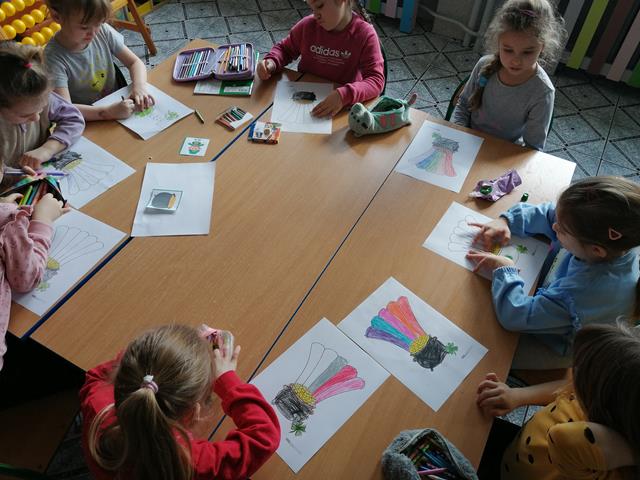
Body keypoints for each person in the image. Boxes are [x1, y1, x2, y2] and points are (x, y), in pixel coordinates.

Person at [466, 176, 640, 370]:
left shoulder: (582, 292)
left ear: (596, 250)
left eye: (562, 230)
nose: (555, 226)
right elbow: (550, 215)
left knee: (483, 346)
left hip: (559, 343)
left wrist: (504, 269)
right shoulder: (616, 240)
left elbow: (515, 316)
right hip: (558, 295)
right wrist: (506, 220)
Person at [82, 324, 281, 479]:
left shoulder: (98, 410)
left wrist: (155, 353)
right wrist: (226, 379)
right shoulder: (192, 463)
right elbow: (264, 437)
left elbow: (97, 376)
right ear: (193, 413)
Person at [477, 323, 640, 479]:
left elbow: (564, 439)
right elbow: (568, 387)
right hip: (513, 450)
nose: (574, 375)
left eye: (584, 379)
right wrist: (518, 396)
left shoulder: (604, 463)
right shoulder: (605, 399)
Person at [452, 0, 566, 150]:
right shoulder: (483, 65)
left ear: (542, 47)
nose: (516, 61)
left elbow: (532, 148)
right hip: (467, 141)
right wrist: (458, 136)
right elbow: (462, 106)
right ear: (498, 42)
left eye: (527, 52)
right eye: (508, 50)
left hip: (505, 152)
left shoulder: (542, 91)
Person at [257, 0, 384, 118]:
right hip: (303, 101)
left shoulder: (365, 34)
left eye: (320, 6)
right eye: (312, 9)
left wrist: (344, 95)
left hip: (340, 110)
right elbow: (285, 49)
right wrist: (271, 62)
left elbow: (376, 80)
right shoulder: (307, 26)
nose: (315, 15)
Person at [44, 0, 155, 121]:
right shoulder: (52, 58)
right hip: (88, 119)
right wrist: (107, 112)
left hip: (118, 104)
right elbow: (65, 108)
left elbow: (135, 63)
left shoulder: (103, 30)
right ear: (56, 16)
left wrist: (139, 87)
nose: (93, 33)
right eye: (84, 27)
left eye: (99, 23)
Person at [0, 41, 84, 174]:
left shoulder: (39, 96)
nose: (36, 118)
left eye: (41, 109)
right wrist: (17, 176)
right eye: (24, 115)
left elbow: (74, 119)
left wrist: (48, 149)